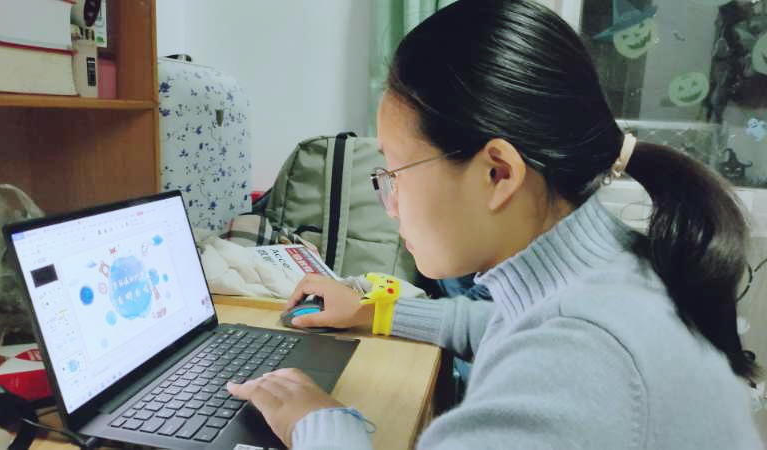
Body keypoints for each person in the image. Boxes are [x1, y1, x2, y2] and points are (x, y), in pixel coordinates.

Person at [226, 0, 763, 448]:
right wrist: (370, 311)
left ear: (498, 172)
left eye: (394, 173)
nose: (390, 204)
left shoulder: (576, 359)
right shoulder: (606, 273)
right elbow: (493, 324)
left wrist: (317, 423)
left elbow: (544, 349)